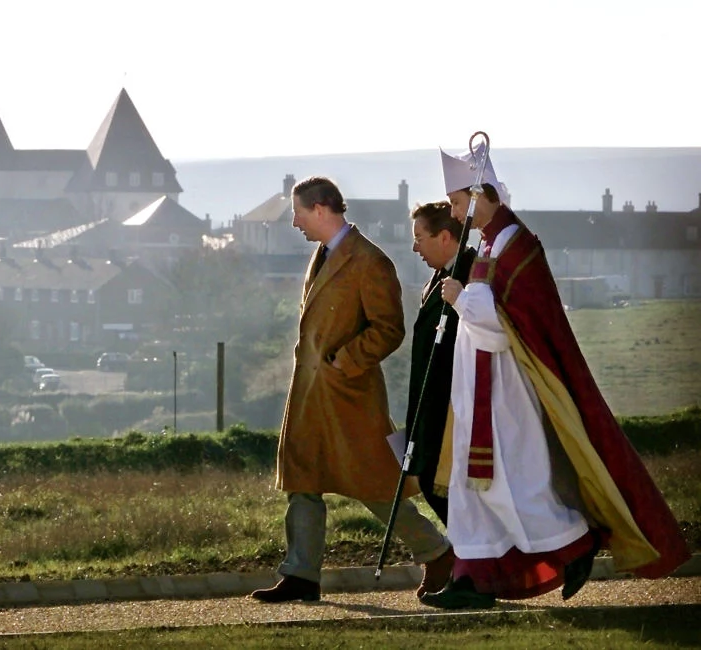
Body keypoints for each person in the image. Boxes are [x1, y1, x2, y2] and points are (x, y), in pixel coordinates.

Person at [421, 144, 690, 609]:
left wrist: (461, 298)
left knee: (515, 484)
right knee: (473, 485)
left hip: (506, 387)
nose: (455, 212)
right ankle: (472, 578)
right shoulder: (488, 241)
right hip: (476, 385)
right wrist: (464, 300)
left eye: (459, 202)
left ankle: (575, 544)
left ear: (482, 193)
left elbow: (510, 321)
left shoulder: (516, 244)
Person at [251, 176, 454, 604]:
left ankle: (438, 553)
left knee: (375, 484)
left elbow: (389, 328)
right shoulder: (322, 255)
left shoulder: (369, 261)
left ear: (321, 209)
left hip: (350, 396)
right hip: (310, 393)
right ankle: (301, 575)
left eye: (299, 212)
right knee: (302, 479)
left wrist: (346, 359)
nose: (293, 222)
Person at [405, 201, 477, 526]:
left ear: (444, 237)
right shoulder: (435, 279)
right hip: (428, 399)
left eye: (420, 237)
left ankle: (474, 564)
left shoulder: (472, 275)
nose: (414, 246)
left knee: (442, 485)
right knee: (426, 478)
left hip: (454, 405)